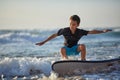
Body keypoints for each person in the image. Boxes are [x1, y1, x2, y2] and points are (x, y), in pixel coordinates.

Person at [36, 15, 111, 60]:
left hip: (75, 49)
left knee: (83, 46)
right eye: (71, 24)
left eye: (74, 24)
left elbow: (91, 31)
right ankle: (65, 61)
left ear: (78, 25)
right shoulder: (65, 30)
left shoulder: (80, 31)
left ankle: (83, 61)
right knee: (62, 49)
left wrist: (103, 31)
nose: (72, 26)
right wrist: (43, 42)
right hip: (67, 50)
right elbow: (54, 35)